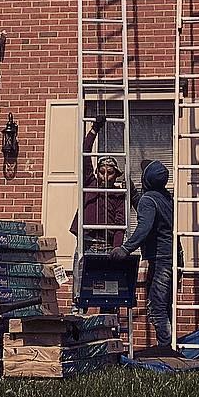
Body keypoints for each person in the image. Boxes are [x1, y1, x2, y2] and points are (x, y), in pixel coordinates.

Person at [110, 159, 180, 350]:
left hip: (161, 260)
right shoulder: (165, 197)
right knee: (165, 304)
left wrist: (125, 249)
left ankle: (165, 347)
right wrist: (130, 186)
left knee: (156, 306)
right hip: (173, 257)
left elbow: (144, 227)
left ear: (147, 179)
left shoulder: (149, 201)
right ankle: (169, 344)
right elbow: (142, 205)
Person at [70, 117, 125, 306]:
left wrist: (118, 248)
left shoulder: (119, 194)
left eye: (110, 173)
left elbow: (120, 223)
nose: (105, 176)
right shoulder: (90, 183)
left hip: (107, 244)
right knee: (80, 276)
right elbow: (85, 154)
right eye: (102, 171)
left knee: (107, 284)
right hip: (88, 241)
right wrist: (94, 130)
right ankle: (78, 309)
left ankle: (109, 315)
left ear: (115, 175)